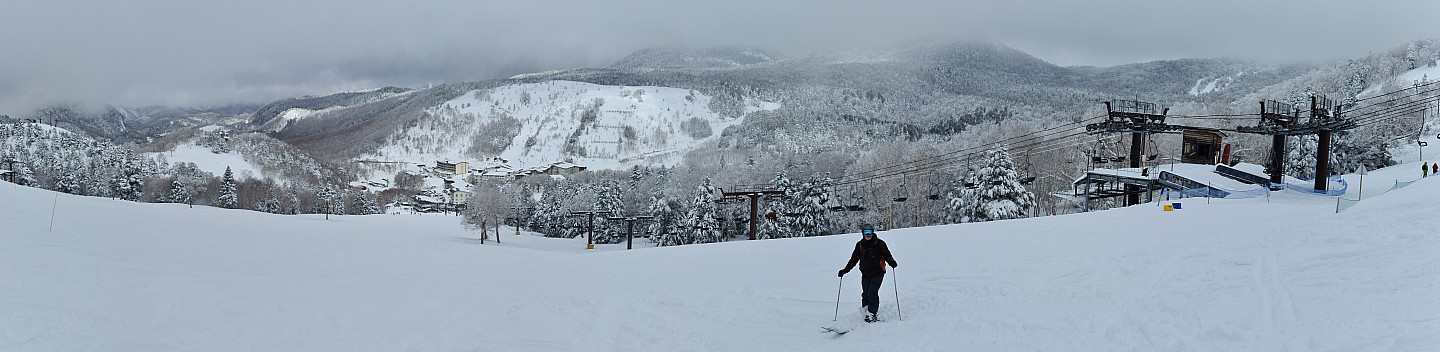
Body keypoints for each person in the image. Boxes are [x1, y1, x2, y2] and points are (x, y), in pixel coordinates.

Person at [838, 224, 898, 323]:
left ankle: (872, 314)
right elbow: (853, 260)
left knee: (872, 293)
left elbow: (887, 255)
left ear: (872, 232)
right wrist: (845, 270)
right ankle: (865, 311)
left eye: (869, 232)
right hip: (866, 274)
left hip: (878, 272)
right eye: (866, 232)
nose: (868, 234)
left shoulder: (879, 243)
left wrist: (892, 262)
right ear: (862, 233)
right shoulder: (860, 245)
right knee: (865, 294)